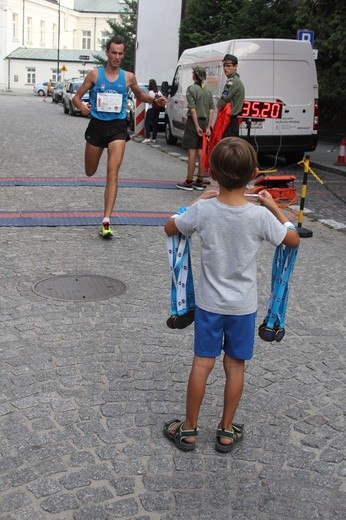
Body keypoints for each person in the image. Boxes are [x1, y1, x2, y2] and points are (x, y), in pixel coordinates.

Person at [163, 137, 300, 452]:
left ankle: (189, 429)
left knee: (202, 363)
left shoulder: (205, 211)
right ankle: (226, 430)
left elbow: (171, 228)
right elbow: (292, 240)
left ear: (211, 171)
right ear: (254, 173)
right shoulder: (260, 216)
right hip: (243, 307)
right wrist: (273, 206)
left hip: (210, 306)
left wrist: (197, 201)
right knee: (235, 366)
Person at [72, 37, 166, 238]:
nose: (116, 57)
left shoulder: (128, 77)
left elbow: (141, 96)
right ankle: (105, 216)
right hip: (97, 126)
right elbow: (76, 98)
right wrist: (82, 107)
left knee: (112, 172)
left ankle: (106, 220)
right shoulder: (95, 74)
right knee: (90, 171)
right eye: (113, 52)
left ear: (124, 55)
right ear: (107, 53)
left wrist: (156, 101)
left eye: (120, 53)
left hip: (117, 127)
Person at [176, 66, 214, 191]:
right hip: (205, 122)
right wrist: (208, 127)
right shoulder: (208, 90)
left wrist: (196, 126)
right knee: (201, 152)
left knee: (191, 152)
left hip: (194, 123)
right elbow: (211, 109)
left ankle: (188, 180)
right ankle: (200, 180)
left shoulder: (191, 89)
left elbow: (192, 109)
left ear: (195, 76)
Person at [217, 54, 245, 137]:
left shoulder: (232, 82)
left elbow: (220, 104)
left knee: (227, 148)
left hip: (229, 121)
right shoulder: (235, 80)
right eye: (224, 66)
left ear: (235, 66)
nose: (225, 68)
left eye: (228, 66)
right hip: (231, 121)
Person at [142, 79, 162, 144]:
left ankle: (147, 137)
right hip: (157, 109)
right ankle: (154, 138)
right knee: (155, 123)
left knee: (147, 123)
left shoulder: (150, 92)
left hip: (151, 108)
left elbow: (149, 100)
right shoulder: (158, 92)